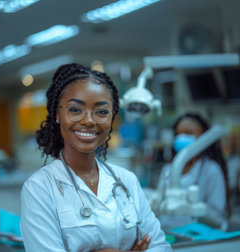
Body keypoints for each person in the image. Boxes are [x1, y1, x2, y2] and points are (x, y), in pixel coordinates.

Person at [20, 63, 172, 252]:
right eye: (75, 110)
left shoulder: (126, 180)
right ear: (58, 114)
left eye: (101, 111)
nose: (89, 120)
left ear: (111, 118)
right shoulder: (40, 188)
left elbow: (161, 247)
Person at [158, 113, 230, 230]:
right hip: (169, 234)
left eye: (188, 133)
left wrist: (192, 207)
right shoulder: (168, 169)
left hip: (198, 238)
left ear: (204, 139)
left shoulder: (211, 170)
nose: (182, 138)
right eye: (178, 134)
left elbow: (217, 216)